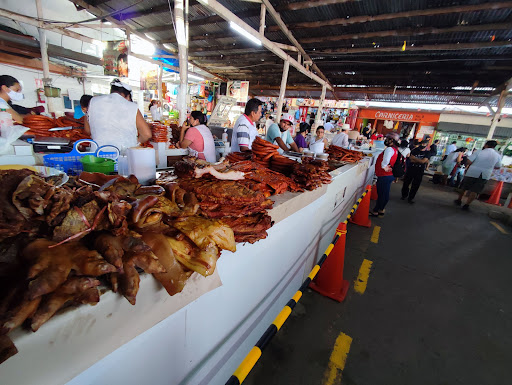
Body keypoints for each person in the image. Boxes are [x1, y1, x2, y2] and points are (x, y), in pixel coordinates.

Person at [85, 79, 152, 151]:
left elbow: (88, 130)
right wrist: (136, 141)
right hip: (123, 154)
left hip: (98, 155)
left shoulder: (93, 101)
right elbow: (146, 134)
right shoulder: (132, 106)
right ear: (128, 96)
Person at [455, 140, 502, 210]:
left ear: (486, 145)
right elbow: (498, 166)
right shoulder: (497, 155)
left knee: (464, 187)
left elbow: (469, 161)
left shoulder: (479, 152)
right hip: (485, 174)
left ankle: (459, 200)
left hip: (472, 172)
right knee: (475, 190)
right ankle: (467, 205)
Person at [371, 132, 400, 217]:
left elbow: (385, 161)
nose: (386, 140)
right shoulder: (395, 149)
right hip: (388, 175)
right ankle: (380, 209)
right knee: (384, 193)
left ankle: (377, 210)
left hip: (384, 175)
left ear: (392, 140)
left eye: (387, 139)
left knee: (382, 194)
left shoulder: (389, 149)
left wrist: (384, 167)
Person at [401, 139, 430, 204]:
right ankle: (404, 195)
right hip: (411, 168)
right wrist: (419, 160)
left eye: (424, 144)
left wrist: (415, 159)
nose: (422, 145)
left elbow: (423, 161)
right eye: (421, 144)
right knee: (406, 182)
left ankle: (411, 198)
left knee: (416, 185)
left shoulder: (427, 153)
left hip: (419, 170)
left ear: (426, 145)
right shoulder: (415, 150)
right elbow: (411, 159)